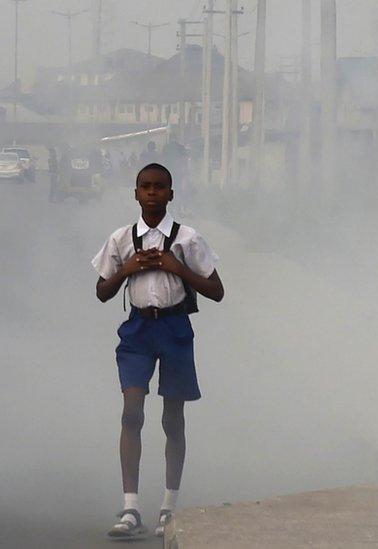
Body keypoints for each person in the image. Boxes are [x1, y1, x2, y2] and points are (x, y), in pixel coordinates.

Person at [92, 163, 225, 540]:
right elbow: (102, 291)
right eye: (145, 187)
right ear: (135, 194)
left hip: (174, 328)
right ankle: (131, 506)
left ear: (171, 194)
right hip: (138, 329)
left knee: (172, 418)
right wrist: (127, 269)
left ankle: (169, 505)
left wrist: (177, 268)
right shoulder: (121, 239)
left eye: (159, 187)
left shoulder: (187, 239)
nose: (152, 193)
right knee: (131, 413)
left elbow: (216, 290)